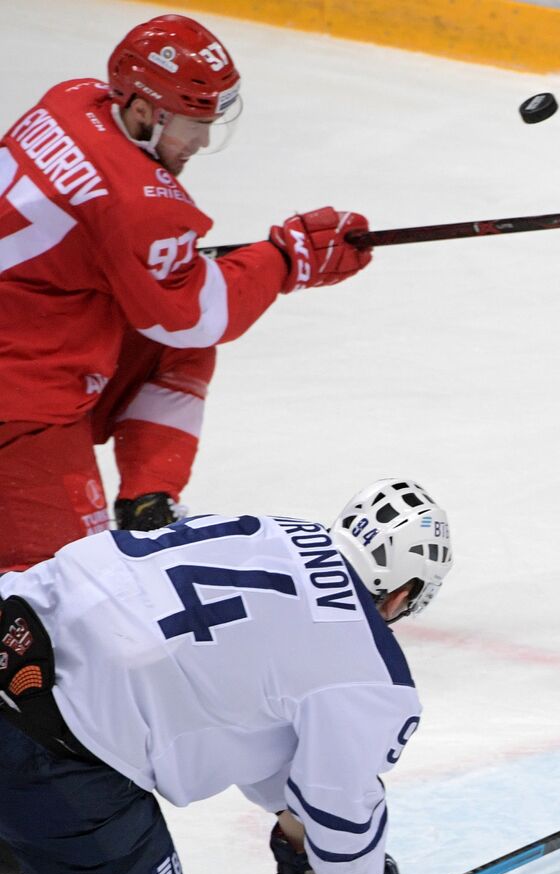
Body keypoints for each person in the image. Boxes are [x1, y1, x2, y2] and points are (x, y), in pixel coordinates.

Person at [0, 478, 453, 874]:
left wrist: (298, 836)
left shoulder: (267, 531)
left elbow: (258, 727)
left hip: (14, 624)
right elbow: (340, 805)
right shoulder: (369, 669)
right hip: (43, 736)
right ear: (404, 593)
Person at [0, 12, 373, 570]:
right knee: (70, 588)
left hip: (26, 321)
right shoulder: (139, 202)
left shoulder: (72, 100)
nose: (200, 140)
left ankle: (147, 500)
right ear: (145, 111)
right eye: (190, 122)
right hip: (19, 402)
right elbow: (196, 312)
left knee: (174, 349)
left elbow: (118, 256)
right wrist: (289, 258)